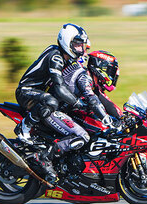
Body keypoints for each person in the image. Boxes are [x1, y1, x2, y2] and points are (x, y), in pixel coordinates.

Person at [14, 23, 91, 183]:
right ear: (66, 42)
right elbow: (60, 88)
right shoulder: (56, 57)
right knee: (52, 101)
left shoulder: (63, 56)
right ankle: (24, 128)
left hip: (38, 94)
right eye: (76, 44)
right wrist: (79, 103)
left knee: (59, 106)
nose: (80, 48)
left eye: (81, 45)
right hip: (26, 92)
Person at [62, 50, 123, 132]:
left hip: (69, 113)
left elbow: (107, 103)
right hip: (58, 111)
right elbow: (93, 101)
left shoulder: (94, 83)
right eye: (110, 71)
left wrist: (122, 118)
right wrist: (107, 120)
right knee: (83, 136)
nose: (111, 75)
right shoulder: (84, 77)